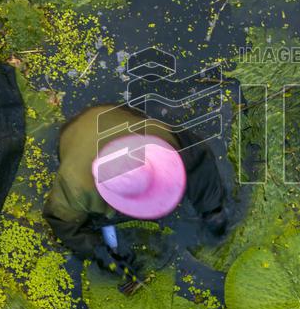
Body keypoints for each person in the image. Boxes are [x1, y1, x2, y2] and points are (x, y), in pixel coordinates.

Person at [43, 104, 227, 293]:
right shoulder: (77, 187)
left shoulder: (160, 140)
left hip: (111, 115)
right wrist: (99, 252)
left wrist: (212, 208)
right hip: (74, 134)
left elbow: (198, 158)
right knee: (95, 221)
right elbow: (61, 222)